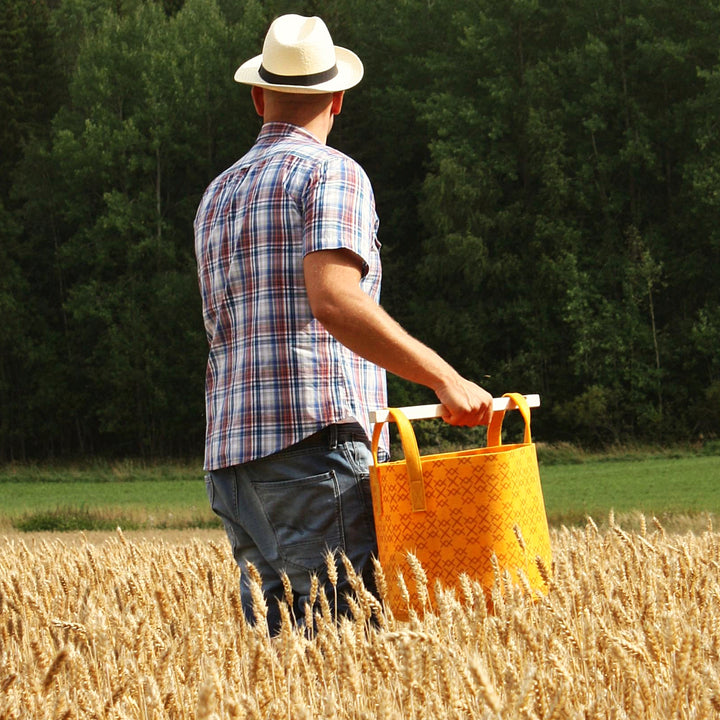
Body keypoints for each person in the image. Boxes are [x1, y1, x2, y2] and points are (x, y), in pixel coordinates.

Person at [194, 14, 493, 633]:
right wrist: (444, 378)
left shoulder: (216, 196)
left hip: (231, 459)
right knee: (343, 654)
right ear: (337, 98)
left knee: (281, 667)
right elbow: (335, 301)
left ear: (258, 98)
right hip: (312, 449)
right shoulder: (332, 173)